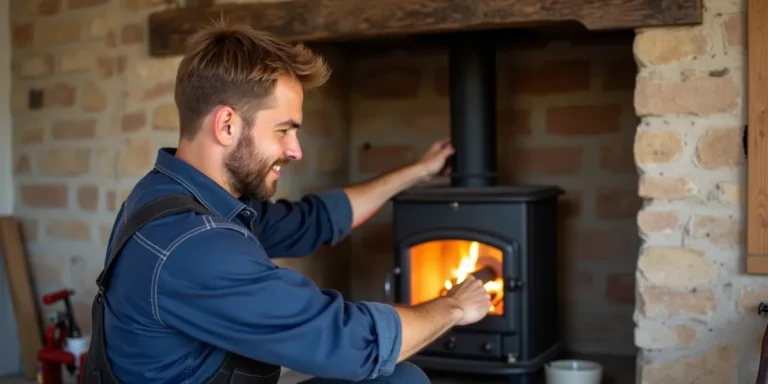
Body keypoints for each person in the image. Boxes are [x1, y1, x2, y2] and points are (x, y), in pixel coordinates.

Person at [83, 19, 492, 384]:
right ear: (227, 124)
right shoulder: (195, 244)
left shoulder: (173, 194)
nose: (295, 150)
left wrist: (416, 172)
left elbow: (313, 221)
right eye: (283, 130)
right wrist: (454, 305)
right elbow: (352, 344)